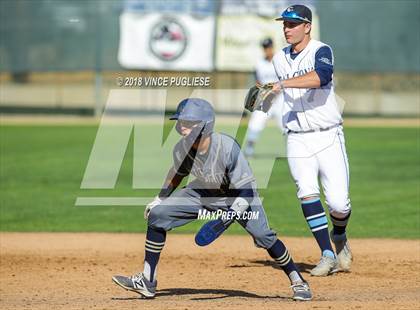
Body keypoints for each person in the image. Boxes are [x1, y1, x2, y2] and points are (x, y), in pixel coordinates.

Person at [112, 98, 312, 301]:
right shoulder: (181, 148)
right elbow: (177, 173)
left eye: (189, 124)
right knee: (158, 215)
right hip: (204, 192)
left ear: (205, 125)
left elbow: (246, 190)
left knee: (264, 236)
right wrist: (159, 198)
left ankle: (298, 281)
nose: (182, 128)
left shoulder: (226, 147)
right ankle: (147, 280)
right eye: (181, 123)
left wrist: (229, 216)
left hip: (239, 196)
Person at [269, 4, 353, 276]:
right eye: (285, 24)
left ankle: (339, 234)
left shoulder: (321, 50)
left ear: (307, 26)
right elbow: (282, 96)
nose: (287, 29)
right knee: (306, 192)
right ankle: (326, 253)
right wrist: (265, 97)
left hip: (328, 135)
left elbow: (322, 77)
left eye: (293, 24)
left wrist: (283, 85)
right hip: (297, 138)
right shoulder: (279, 59)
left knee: (339, 205)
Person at [244, 38, 283, 158]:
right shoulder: (259, 64)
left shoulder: (280, 62)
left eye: (269, 47)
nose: (267, 50)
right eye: (265, 48)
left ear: (273, 47)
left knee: (286, 124)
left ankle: (296, 149)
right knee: (255, 122)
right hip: (265, 98)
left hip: (281, 98)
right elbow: (258, 82)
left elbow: (285, 80)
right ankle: (249, 150)